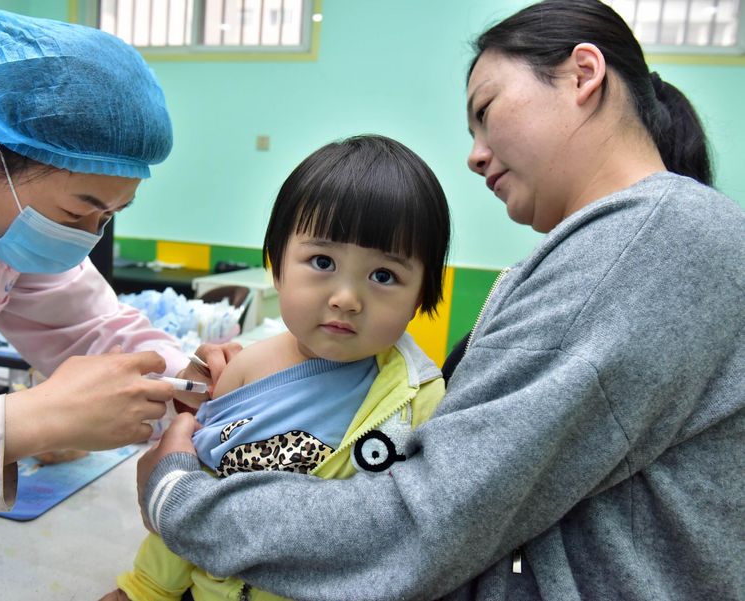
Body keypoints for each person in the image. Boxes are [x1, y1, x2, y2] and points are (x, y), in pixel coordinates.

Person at [135, 1, 745, 599]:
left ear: (583, 74)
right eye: (320, 262)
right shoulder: (620, 244)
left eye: (486, 111)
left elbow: (425, 520)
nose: (475, 155)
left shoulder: (652, 239)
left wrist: (180, 499)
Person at [0, 1, 236, 541]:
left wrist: (193, 379)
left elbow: (87, 328)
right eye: (76, 213)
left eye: (109, 216)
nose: (86, 238)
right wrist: (24, 422)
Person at [101, 134, 451, 601]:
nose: (346, 298)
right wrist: (146, 589)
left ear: (421, 295)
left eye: (383, 276)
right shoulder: (247, 367)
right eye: (322, 261)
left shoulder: (418, 398)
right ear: (277, 266)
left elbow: (415, 534)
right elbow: (201, 485)